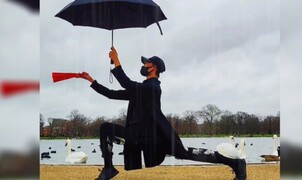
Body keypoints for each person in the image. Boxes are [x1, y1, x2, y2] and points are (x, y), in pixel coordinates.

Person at [80, 47, 247, 180]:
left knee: (185, 153)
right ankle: (109, 168)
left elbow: (126, 83)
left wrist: (116, 61)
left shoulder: (152, 87)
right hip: (139, 135)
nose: (143, 66)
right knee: (105, 129)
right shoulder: (140, 89)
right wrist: (91, 81)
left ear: (154, 69)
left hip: (155, 135)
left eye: (147, 64)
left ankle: (235, 163)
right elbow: (111, 94)